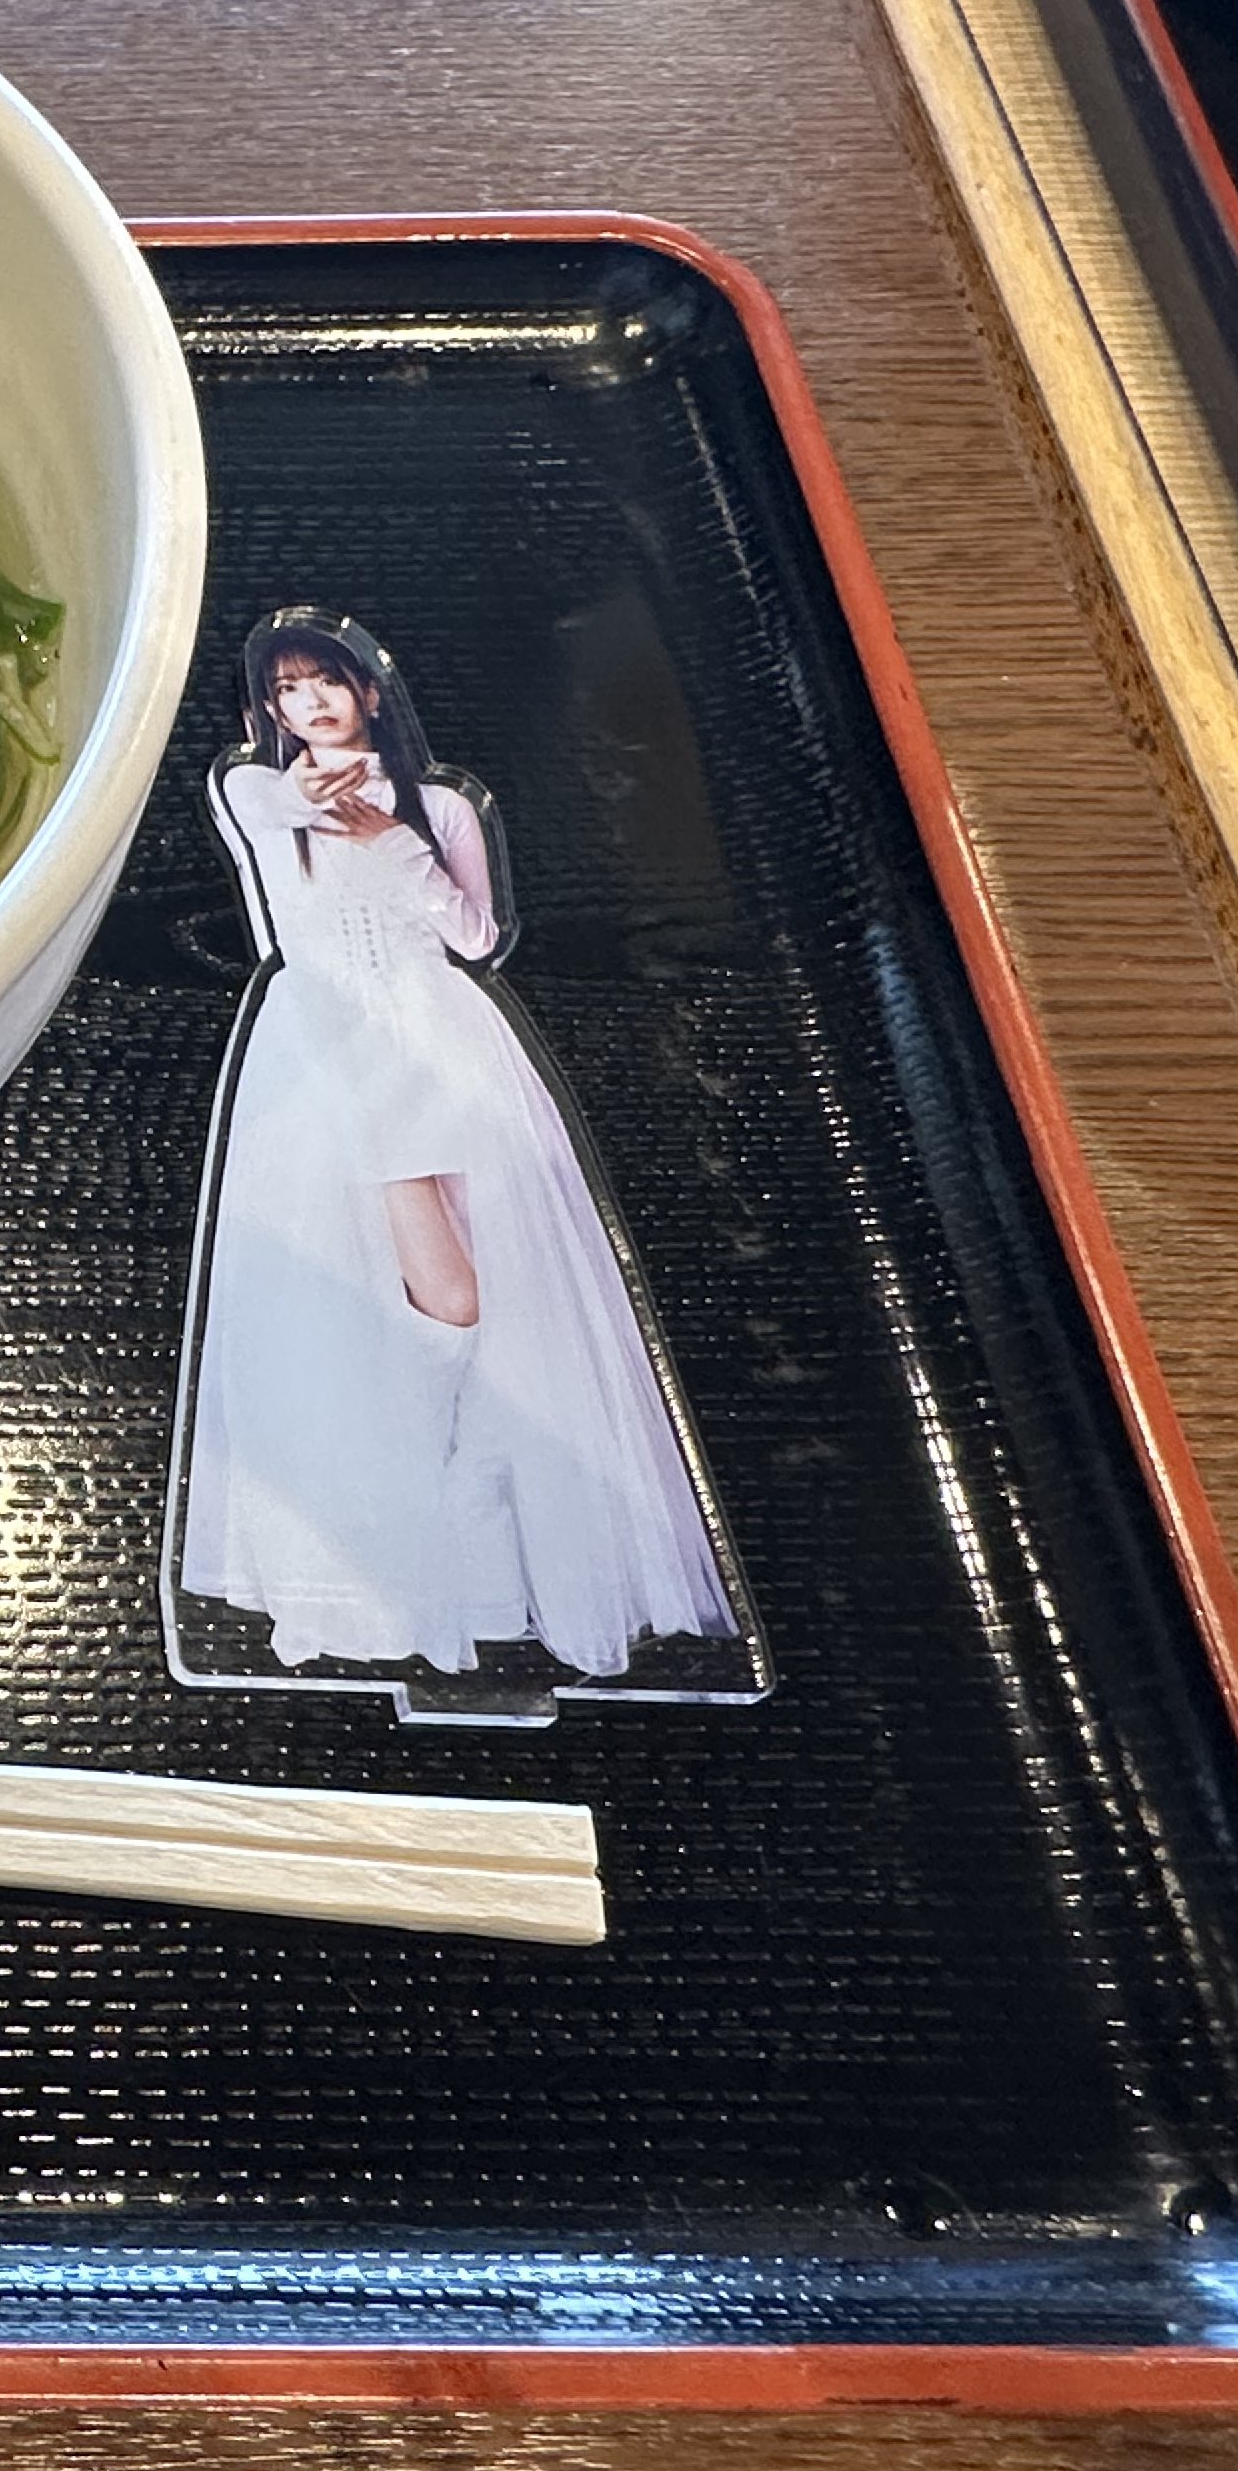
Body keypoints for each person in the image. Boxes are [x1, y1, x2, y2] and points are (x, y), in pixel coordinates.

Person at [174, 611, 739, 1681]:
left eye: (325, 682)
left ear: (368, 691)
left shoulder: (438, 807)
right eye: (288, 690)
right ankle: (409, 1517)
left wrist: (397, 847)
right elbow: (276, 805)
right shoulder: (257, 789)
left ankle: (477, 1547)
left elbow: (477, 936)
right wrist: (321, 802)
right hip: (328, 1040)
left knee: (503, 1287)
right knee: (412, 1290)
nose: (309, 703)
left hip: (439, 1032)